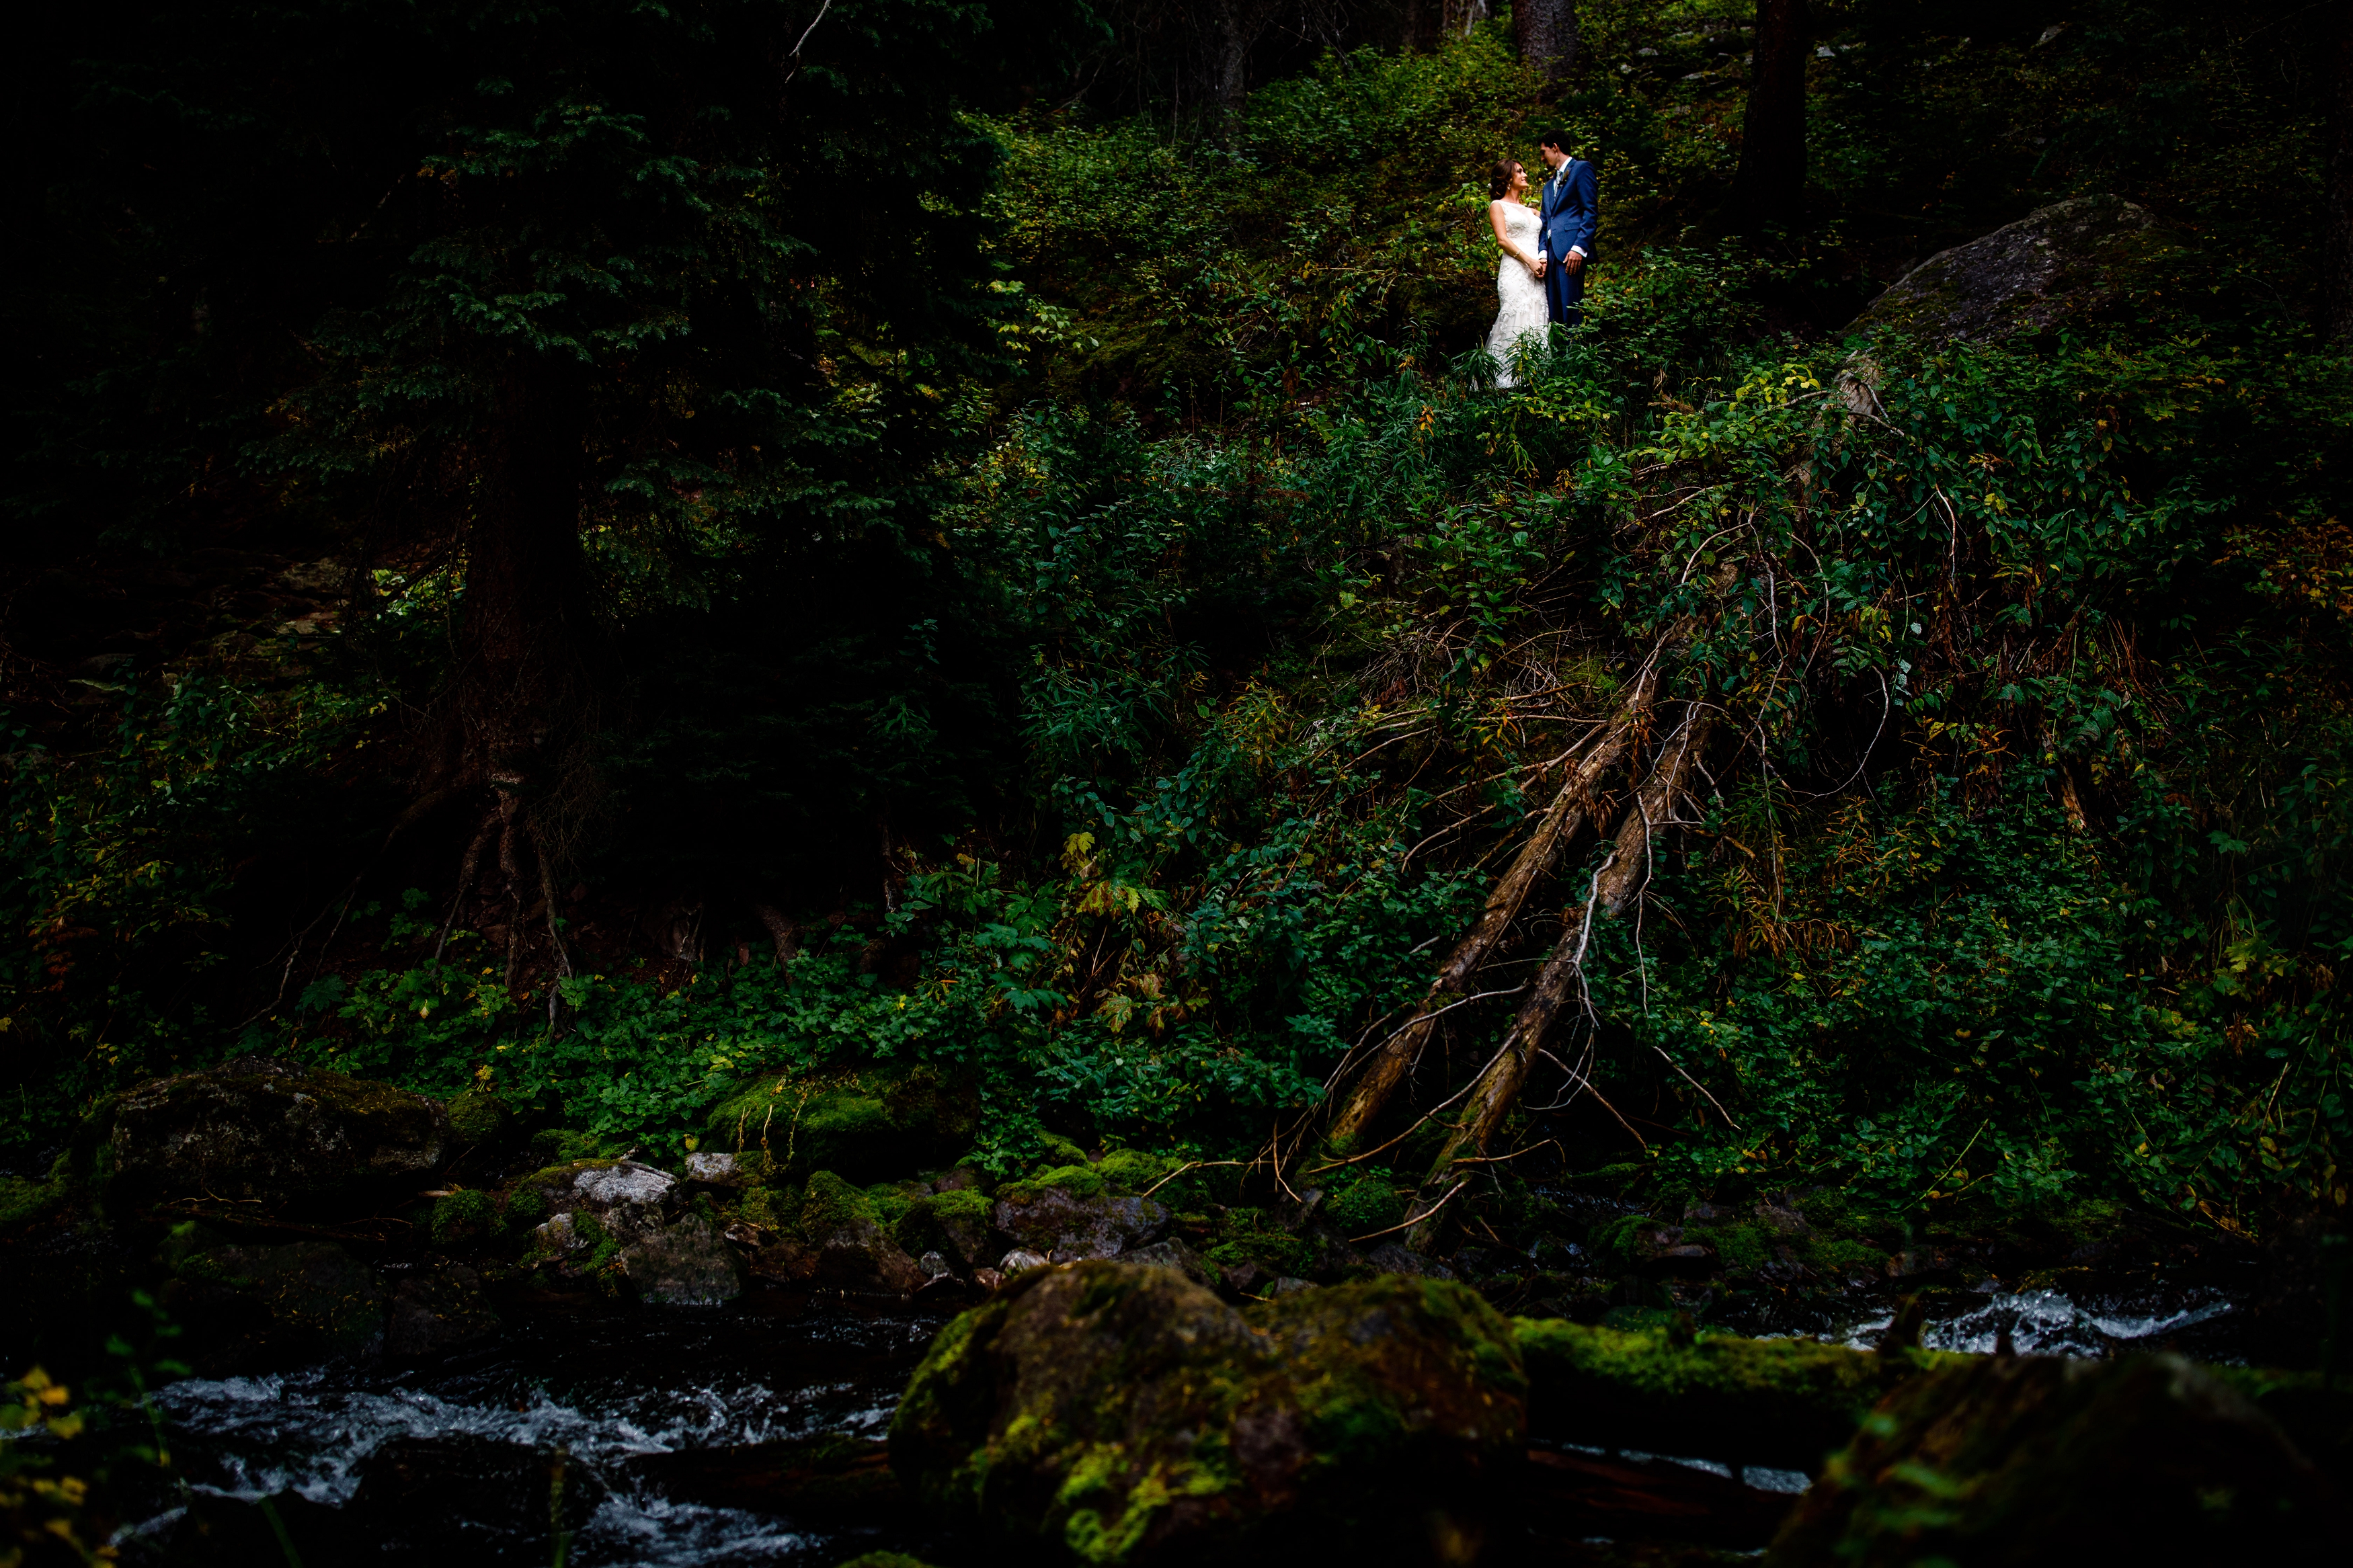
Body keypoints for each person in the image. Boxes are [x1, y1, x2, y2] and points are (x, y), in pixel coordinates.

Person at [1483, 159, 1549, 388]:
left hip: (1537, 273)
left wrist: (1541, 259)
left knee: (1536, 319)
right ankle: (1502, 383)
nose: (1524, 175)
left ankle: (1533, 379)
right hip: (1515, 272)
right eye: (1519, 172)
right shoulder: (1497, 206)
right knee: (1514, 319)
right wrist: (1529, 261)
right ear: (1508, 179)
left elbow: (1546, 236)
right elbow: (1502, 240)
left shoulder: (1532, 210)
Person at [1534, 130, 1597, 331]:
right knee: (1554, 313)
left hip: (1571, 252)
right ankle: (1559, 359)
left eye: (1544, 152)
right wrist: (1543, 253)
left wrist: (1579, 248)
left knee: (1572, 309)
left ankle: (1576, 358)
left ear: (1555, 147)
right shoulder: (1547, 187)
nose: (1542, 157)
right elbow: (1544, 222)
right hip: (1551, 256)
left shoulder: (1581, 169)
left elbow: (1590, 211)